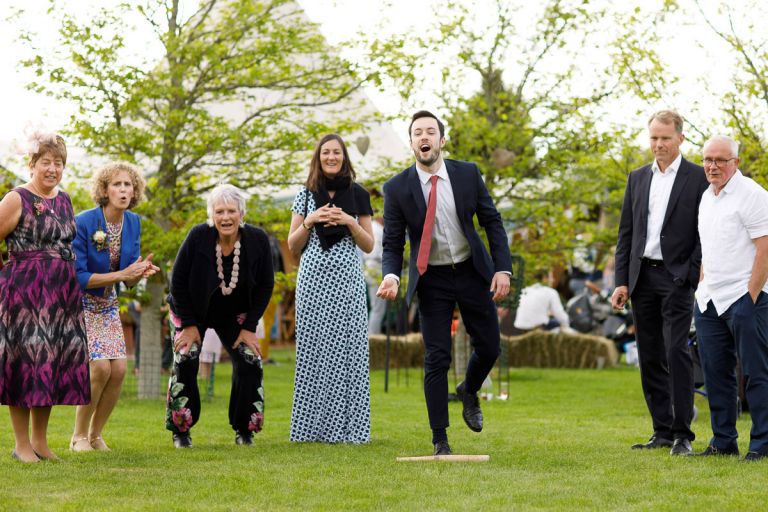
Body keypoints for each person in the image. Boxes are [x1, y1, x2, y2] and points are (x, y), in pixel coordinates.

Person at [377, 110, 512, 456]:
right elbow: (393, 242)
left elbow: (492, 222)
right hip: (431, 278)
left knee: (491, 347)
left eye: (430, 132)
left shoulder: (467, 174)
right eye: (417, 133)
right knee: (436, 358)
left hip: (471, 270)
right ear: (411, 143)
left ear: (441, 139)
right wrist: (391, 275)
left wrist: (502, 269)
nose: (424, 137)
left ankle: (469, 390)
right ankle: (441, 439)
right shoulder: (396, 188)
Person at [611, 110, 708, 456]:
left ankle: (683, 434)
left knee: (675, 351)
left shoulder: (698, 177)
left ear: (680, 138)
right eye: (653, 137)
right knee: (650, 355)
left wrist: (691, 270)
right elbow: (626, 234)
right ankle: (662, 431)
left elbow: (704, 231)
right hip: (642, 278)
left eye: (665, 138)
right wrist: (621, 281)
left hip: (677, 278)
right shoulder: (637, 178)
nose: (658, 144)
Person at [0, 132, 90, 463]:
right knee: (25, 364)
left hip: (61, 295)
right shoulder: (16, 198)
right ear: (32, 165)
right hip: (24, 295)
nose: (52, 169)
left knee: (49, 364)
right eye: (45, 162)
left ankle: (40, 442)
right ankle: (21, 444)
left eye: (58, 163)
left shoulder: (64, 200)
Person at [166, 184, 274, 448]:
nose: (226, 217)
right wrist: (190, 325)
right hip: (191, 309)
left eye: (231, 211)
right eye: (220, 211)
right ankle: (181, 429)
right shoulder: (198, 236)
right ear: (211, 215)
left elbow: (265, 286)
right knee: (186, 359)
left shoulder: (257, 240)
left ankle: (244, 428)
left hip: (234, 313)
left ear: (241, 213)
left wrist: (249, 327)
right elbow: (176, 281)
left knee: (250, 361)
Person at [287, 133, 374, 443]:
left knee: (348, 350)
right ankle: (310, 430)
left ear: (344, 157)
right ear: (318, 157)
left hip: (347, 281)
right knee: (313, 349)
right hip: (313, 281)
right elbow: (292, 245)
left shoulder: (360, 194)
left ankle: (350, 430)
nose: (331, 157)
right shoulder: (306, 194)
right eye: (326, 153)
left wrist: (350, 222)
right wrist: (309, 221)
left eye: (337, 152)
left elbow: (368, 244)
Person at [70, 162, 159, 452]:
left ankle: (96, 435)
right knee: (98, 369)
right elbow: (79, 276)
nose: (123, 190)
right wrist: (122, 275)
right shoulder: (84, 222)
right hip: (82, 303)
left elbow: (128, 275)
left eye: (128, 185)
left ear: (135, 191)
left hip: (108, 303)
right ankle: (78, 436)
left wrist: (139, 273)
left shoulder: (133, 222)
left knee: (119, 369)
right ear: (104, 190)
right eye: (117, 185)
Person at [694, 135, 768, 460]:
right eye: (708, 159)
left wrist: (750, 298)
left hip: (746, 297)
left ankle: (762, 445)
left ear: (735, 162)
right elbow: (708, 250)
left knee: (755, 373)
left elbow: (765, 248)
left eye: (720, 160)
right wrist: (701, 289)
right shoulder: (706, 197)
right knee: (715, 374)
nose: (713, 166)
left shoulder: (752, 195)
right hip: (710, 300)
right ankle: (723, 442)